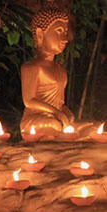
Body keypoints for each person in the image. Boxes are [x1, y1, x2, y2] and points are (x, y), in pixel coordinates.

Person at [19, 6, 95, 137]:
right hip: (36, 120)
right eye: (59, 31)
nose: (65, 38)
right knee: (55, 125)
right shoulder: (31, 67)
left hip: (57, 119)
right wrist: (56, 113)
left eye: (65, 32)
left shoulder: (60, 69)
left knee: (92, 126)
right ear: (40, 34)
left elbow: (60, 102)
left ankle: (67, 133)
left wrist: (66, 112)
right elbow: (29, 101)